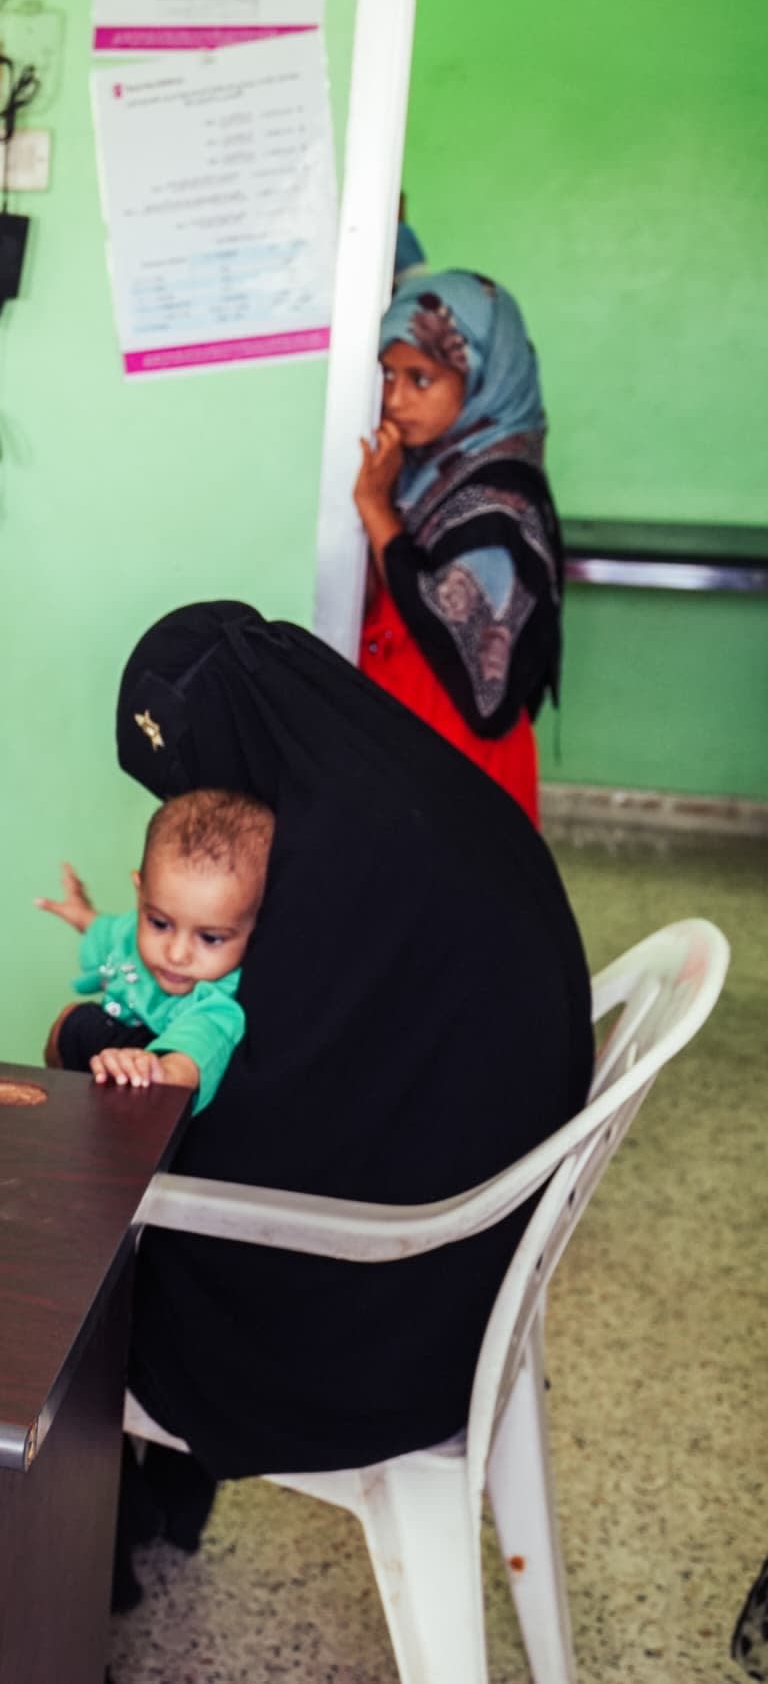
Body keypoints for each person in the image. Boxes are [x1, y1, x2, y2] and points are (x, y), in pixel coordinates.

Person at [109, 602, 590, 1581]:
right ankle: (146, 1513)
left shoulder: (334, 861)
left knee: (67, 1278)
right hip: (473, 1253)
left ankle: (63, 1574)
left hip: (402, 1319)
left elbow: (268, 1117)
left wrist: (97, 1043)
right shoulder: (383, 778)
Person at [353, 270, 564, 825]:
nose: (395, 399)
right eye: (387, 375)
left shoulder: (502, 503)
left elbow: (478, 678)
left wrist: (376, 511)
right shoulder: (419, 475)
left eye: (421, 379)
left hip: (462, 774)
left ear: (483, 380)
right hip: (404, 753)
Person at [33, 789, 272, 1112]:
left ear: (255, 929)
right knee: (69, 1025)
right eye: (160, 923)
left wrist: (160, 1070)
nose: (176, 954)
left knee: (74, 1022)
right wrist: (83, 916)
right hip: (105, 1069)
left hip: (154, 1083)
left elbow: (201, 1042)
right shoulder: (134, 930)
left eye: (210, 938)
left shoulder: (218, 997)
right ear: (140, 893)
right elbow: (111, 931)